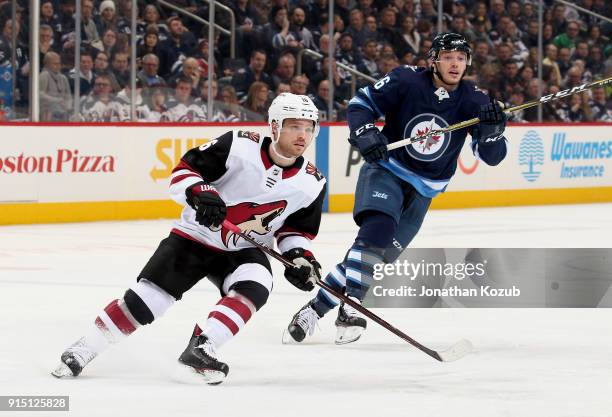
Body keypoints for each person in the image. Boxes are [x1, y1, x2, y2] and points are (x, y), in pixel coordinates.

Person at [52, 93, 326, 384]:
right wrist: (200, 193)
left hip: (243, 247)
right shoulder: (238, 145)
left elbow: (295, 231)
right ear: (274, 126)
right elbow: (185, 170)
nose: (303, 135)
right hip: (196, 236)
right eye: (294, 126)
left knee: (257, 283)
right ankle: (87, 346)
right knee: (148, 301)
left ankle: (202, 347)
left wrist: (300, 257)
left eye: (309, 128)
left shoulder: (312, 182)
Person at [284, 33, 508, 344]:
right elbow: (361, 105)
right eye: (448, 56)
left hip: (425, 191)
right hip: (387, 170)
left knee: (374, 257)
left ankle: (316, 308)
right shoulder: (407, 80)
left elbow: (492, 157)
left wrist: (494, 131)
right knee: (376, 233)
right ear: (434, 60)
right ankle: (353, 307)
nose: (455, 63)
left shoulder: (475, 101)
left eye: (461, 57)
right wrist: (365, 134)